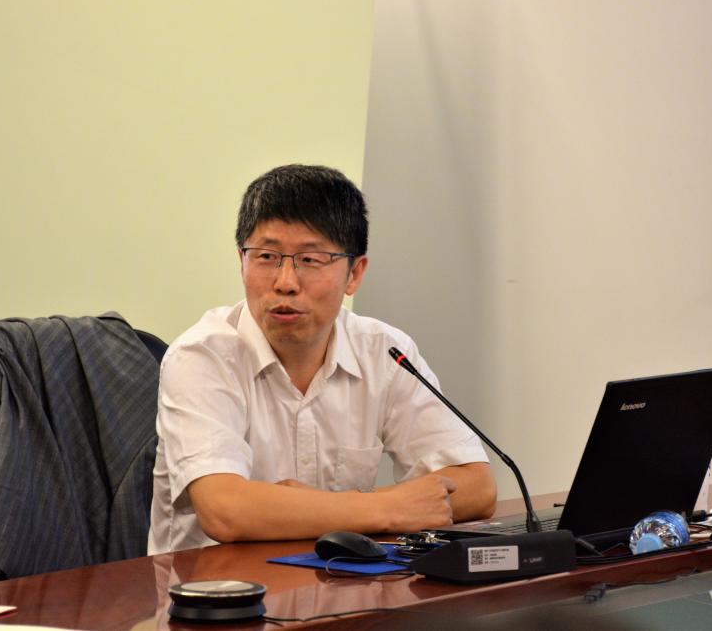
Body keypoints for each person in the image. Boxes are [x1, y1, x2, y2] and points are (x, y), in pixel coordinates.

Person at [148, 164, 496, 553]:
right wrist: (388, 507)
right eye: (266, 256)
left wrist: (322, 507)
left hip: (338, 580)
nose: (284, 282)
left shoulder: (384, 352)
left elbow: (477, 487)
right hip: (215, 587)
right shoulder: (202, 357)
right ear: (241, 261)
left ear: (354, 274)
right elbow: (225, 510)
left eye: (310, 260)